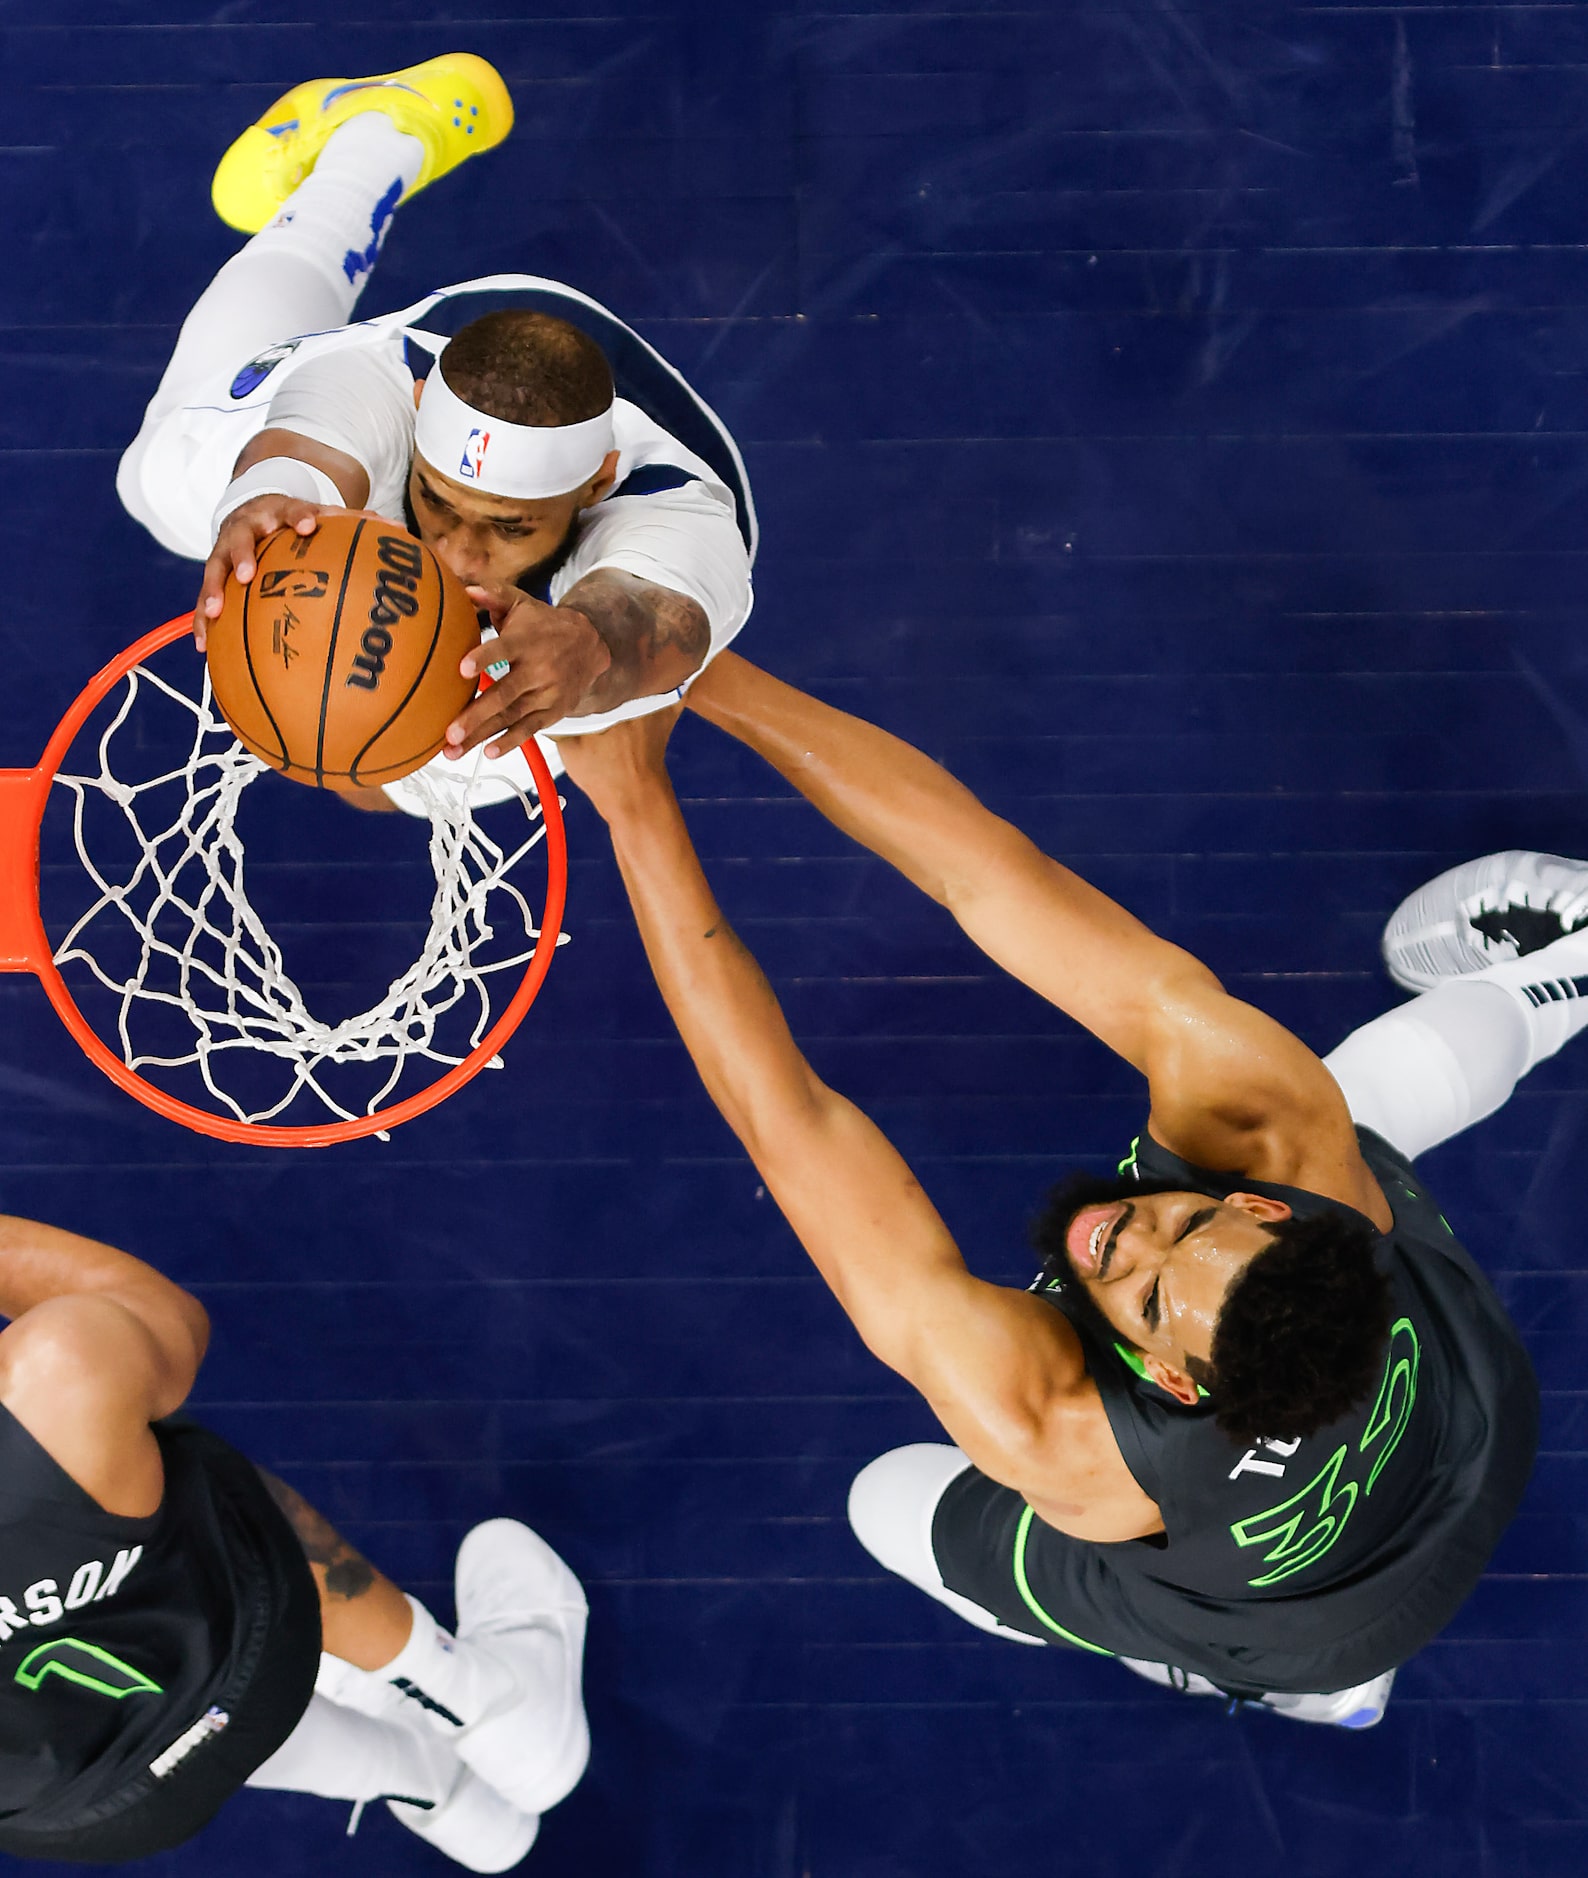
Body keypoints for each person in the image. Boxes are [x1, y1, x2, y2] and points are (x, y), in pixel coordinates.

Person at [550, 654, 1548, 1728]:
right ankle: (1563, 965)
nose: (1123, 1240)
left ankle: (1279, 1688)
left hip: (1295, 1628)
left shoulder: (1057, 1430)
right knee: (1333, 1098)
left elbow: (787, 1117)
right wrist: (684, 666)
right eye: (1185, 1226)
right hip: (1479, 1411)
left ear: (1169, 1381)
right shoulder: (1281, 1139)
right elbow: (982, 872)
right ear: (1261, 1208)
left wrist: (637, 803)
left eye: (1151, 1302)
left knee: (885, 1502)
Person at [116, 54, 754, 816]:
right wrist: (263, 502)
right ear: (420, 411)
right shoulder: (382, 383)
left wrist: (592, 644)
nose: (455, 553)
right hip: (410, 376)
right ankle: (377, 136)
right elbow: (304, 450)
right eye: (442, 506)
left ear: (597, 481)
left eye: (507, 527)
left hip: (578, 627)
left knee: (442, 773)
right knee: (159, 487)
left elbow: (652, 614)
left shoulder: (683, 522)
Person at [0, 1213, 587, 1869]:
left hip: (80, 1818)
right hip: (257, 1658)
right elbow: (166, 1319)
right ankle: (488, 1707)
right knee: (145, 1467)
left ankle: (435, 1792)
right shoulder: (52, 1376)